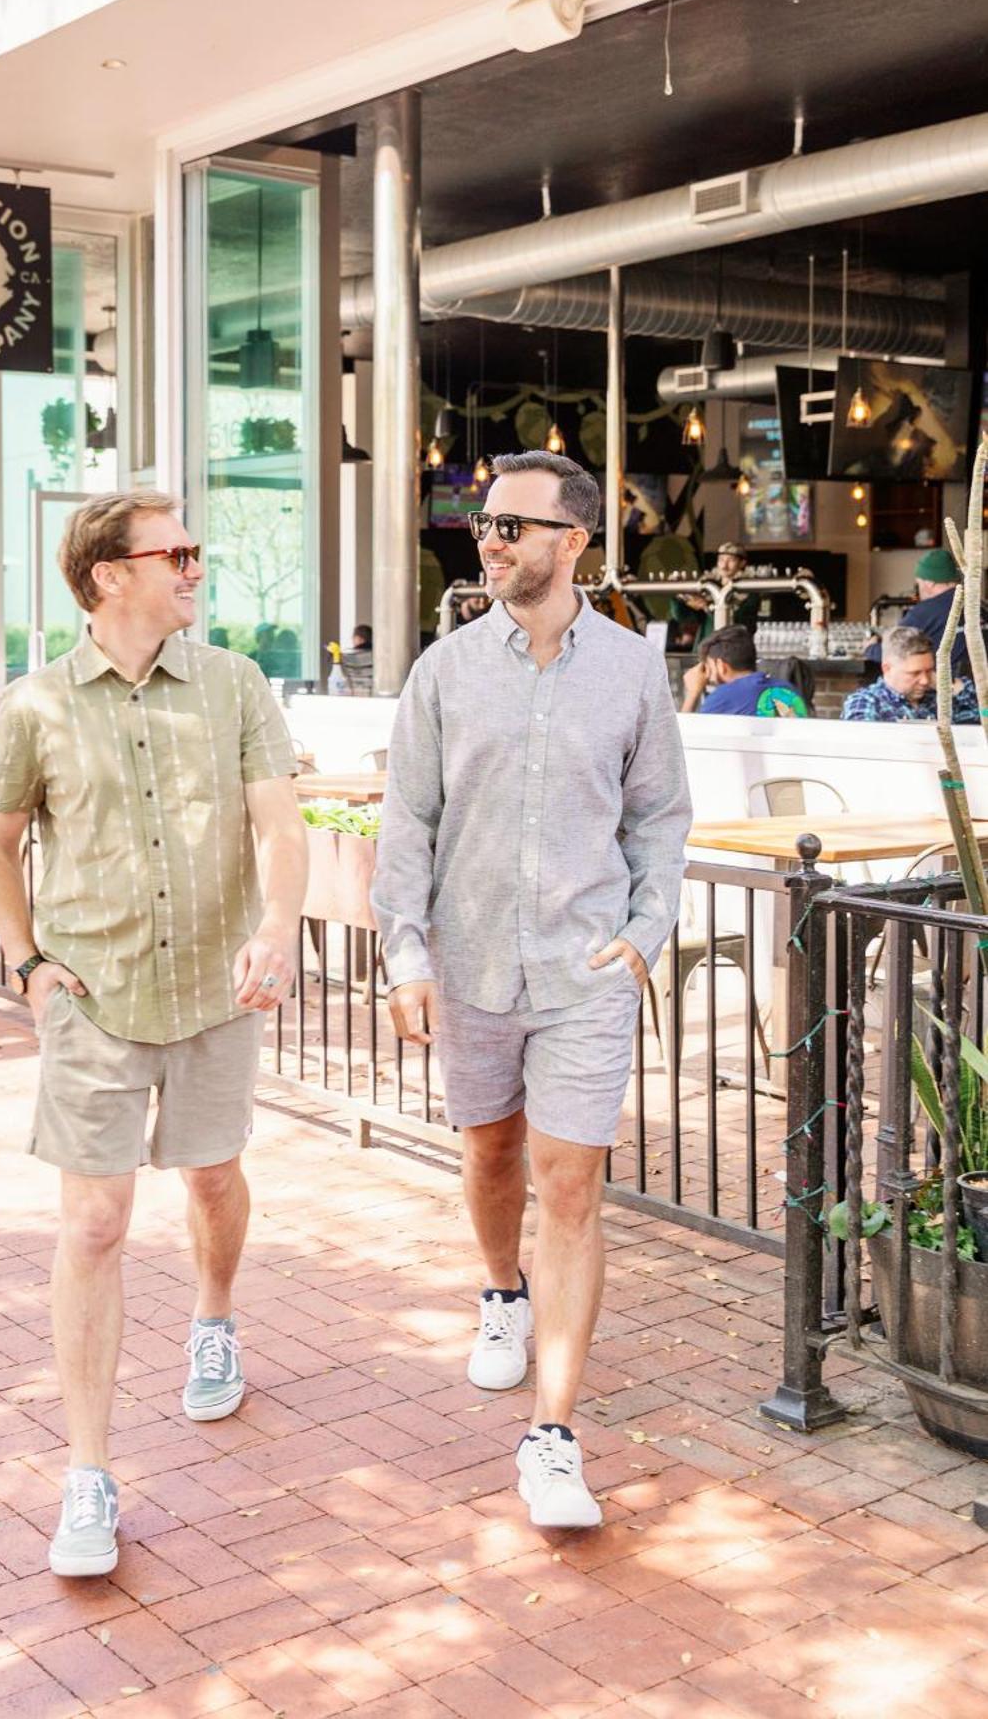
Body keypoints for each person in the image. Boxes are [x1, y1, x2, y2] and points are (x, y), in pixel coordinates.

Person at [0, 491, 307, 1580]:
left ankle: (214, 1315)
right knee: (96, 1225)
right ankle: (89, 1470)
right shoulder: (34, 707)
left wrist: (279, 925)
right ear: (110, 573)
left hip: (214, 990)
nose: (197, 568)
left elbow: (278, 819)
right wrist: (29, 963)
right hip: (93, 998)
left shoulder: (234, 684)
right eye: (179, 552)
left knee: (213, 1177)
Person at [372, 451, 690, 1531]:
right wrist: (405, 954)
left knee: (570, 1185)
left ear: (575, 542)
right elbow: (404, 822)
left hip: (584, 967)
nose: (491, 540)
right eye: (483, 523)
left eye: (513, 524)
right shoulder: (444, 670)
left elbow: (658, 817)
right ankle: (501, 1291)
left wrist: (646, 932)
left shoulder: (633, 669)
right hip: (468, 964)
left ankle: (553, 1433)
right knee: (491, 1153)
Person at [863, 547, 982, 679]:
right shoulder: (978, 605)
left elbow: (894, 651)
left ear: (929, 583)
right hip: (978, 689)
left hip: (942, 691)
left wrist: (871, 648)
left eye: (919, 583)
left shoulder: (925, 612)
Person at [842, 625, 978, 723]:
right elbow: (862, 751)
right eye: (915, 673)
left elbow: (984, 714)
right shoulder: (866, 702)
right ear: (887, 668)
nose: (925, 680)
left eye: (929, 670)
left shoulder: (939, 700)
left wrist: (952, 686)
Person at [680, 625, 809, 717]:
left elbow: (683, 742)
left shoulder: (722, 698)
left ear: (719, 665)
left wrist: (692, 693)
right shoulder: (789, 689)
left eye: (708, 666)